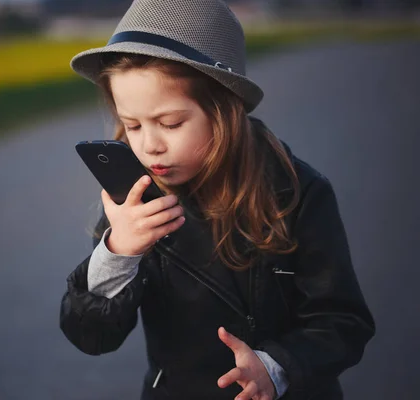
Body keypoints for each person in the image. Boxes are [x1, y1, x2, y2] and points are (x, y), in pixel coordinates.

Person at [59, 1, 375, 399]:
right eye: (132, 124)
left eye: (171, 123)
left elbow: (343, 321)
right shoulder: (134, 206)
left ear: (224, 109)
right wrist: (119, 251)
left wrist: (277, 366)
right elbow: (92, 337)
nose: (149, 145)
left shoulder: (296, 192)